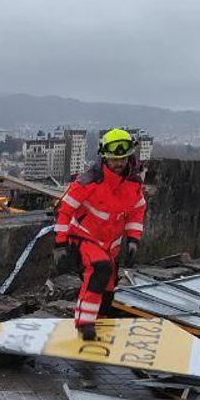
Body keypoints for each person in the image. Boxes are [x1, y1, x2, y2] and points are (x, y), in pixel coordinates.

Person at [53, 128, 148, 339]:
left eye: (123, 158)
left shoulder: (133, 184)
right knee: (99, 269)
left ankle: (101, 321)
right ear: (104, 157)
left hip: (110, 245)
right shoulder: (89, 182)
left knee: (108, 285)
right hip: (84, 238)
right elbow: (64, 211)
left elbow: (137, 211)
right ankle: (85, 323)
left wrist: (133, 239)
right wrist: (60, 244)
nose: (119, 163)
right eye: (114, 159)